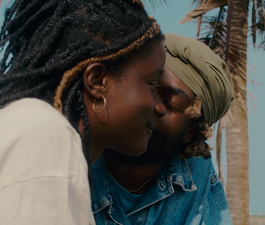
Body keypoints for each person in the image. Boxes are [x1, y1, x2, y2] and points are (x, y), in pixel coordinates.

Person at [0, 0, 166, 224]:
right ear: (97, 81)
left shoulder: (26, 130)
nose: (159, 107)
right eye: (152, 84)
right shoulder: (45, 137)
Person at [91, 33, 234, 225]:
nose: (150, 104)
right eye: (148, 87)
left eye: (171, 102)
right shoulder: (70, 150)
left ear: (190, 131)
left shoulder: (195, 174)